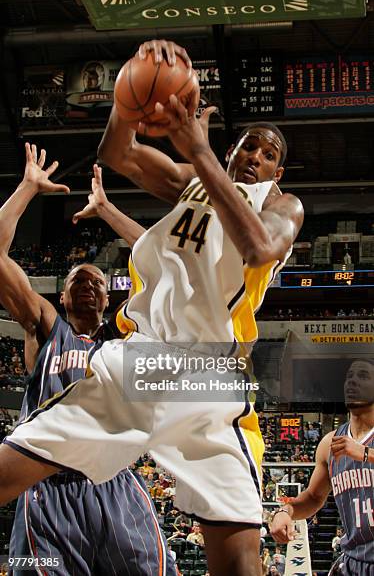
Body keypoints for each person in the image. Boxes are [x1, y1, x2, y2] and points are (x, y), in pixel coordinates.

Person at [0, 40, 304, 576]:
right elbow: (116, 153)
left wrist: (201, 149)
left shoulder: (281, 205)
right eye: (247, 147)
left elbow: (258, 246)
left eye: (269, 153)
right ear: (231, 153)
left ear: (278, 172)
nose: (255, 156)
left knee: (238, 562)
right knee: (10, 472)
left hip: (209, 378)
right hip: (143, 359)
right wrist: (127, 92)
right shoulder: (193, 184)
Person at [0, 144, 176, 575]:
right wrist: (26, 189)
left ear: (109, 298)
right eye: (77, 279)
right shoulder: (46, 327)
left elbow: (169, 266)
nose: (87, 283)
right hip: (45, 489)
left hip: (115, 484)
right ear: (60, 297)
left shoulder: (124, 345)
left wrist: (108, 210)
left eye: (96, 280)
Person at [270, 358, 374, 575]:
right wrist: (285, 511)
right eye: (349, 377)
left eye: (362, 376)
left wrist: (365, 453)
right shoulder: (329, 442)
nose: (352, 382)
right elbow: (314, 498)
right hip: (354, 561)